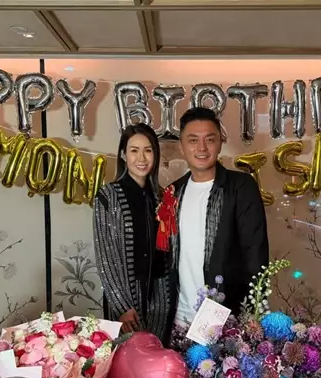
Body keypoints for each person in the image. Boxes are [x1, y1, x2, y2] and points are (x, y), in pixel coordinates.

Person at [171, 107, 269, 329]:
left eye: (210, 139)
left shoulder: (240, 187)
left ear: (220, 142)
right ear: (182, 146)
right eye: (193, 140)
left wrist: (255, 310)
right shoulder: (173, 192)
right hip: (178, 315)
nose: (202, 148)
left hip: (224, 315)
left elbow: (255, 252)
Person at [93, 123, 174, 344]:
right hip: (125, 299)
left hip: (160, 297)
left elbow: (169, 251)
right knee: (127, 358)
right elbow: (105, 256)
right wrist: (122, 305)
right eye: (134, 150)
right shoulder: (108, 196)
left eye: (148, 150)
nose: (142, 158)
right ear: (123, 155)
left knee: (157, 355)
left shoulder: (162, 198)